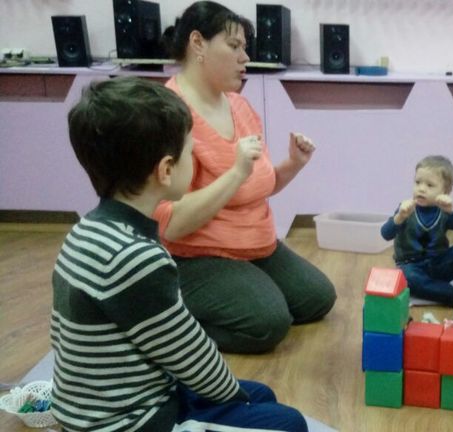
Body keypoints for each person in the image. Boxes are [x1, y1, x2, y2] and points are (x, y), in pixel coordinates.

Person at [52, 76, 307, 431]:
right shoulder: (138, 258)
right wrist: (235, 398)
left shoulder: (84, 231)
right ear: (166, 170)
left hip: (105, 404)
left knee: (260, 394)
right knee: (289, 423)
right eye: (190, 152)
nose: (193, 160)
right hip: (136, 421)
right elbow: (193, 358)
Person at [156, 1, 336, 354]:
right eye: (234, 46)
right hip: (196, 255)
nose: (245, 57)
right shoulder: (169, 113)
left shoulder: (239, 105)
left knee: (318, 298)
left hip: (256, 245)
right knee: (268, 323)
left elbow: (257, 185)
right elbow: (172, 224)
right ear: (198, 43)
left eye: (245, 47)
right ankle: (165, 327)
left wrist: (293, 164)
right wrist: (237, 172)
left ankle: (246, 290)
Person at [381, 155, 453, 307]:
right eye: (417, 182)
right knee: (406, 278)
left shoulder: (444, 211)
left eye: (430, 185)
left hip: (440, 264)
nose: (421, 188)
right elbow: (385, 234)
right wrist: (399, 217)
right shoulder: (406, 209)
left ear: (446, 191)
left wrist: (452, 210)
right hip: (411, 267)